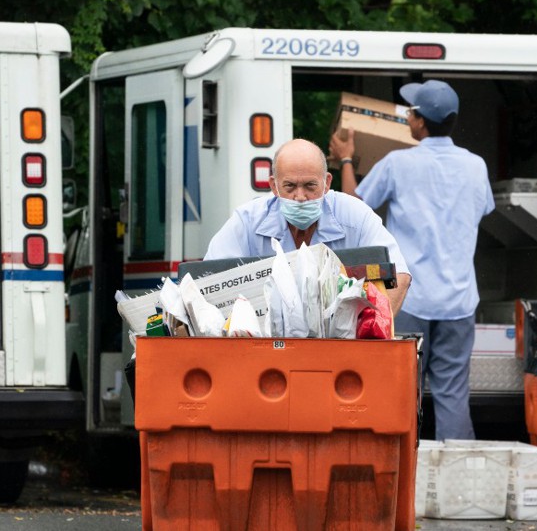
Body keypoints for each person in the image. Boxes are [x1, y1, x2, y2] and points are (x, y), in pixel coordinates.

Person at [330, 79, 494, 440]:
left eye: (411, 111)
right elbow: (484, 209)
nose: (408, 116)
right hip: (459, 301)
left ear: (420, 122)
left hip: (409, 300)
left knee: (402, 389)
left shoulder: (398, 163)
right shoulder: (476, 166)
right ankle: (454, 480)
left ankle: (402, 470)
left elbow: (354, 205)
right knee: (452, 392)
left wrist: (345, 157)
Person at [205, 138, 411, 314]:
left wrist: (374, 328)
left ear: (327, 183)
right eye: (290, 186)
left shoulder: (355, 215)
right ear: (273, 186)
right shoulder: (248, 221)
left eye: (310, 186)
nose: (300, 197)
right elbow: (207, 280)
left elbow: (399, 275)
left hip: (340, 345)